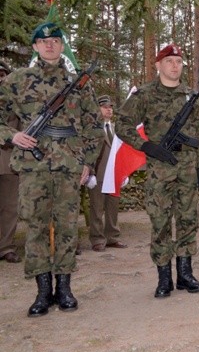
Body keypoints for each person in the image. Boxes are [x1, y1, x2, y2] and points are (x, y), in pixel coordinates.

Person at [0, 22, 103, 317]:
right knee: (35, 227)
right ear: (34, 46)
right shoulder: (17, 81)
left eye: (56, 41)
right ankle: (42, 291)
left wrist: (87, 163)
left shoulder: (80, 84)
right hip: (33, 167)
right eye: (44, 41)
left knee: (69, 227)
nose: (50, 45)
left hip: (70, 166)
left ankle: (65, 288)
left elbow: (95, 126)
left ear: (62, 46)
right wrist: (12, 136)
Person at [115, 44, 199, 298]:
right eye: (168, 61)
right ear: (158, 65)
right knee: (160, 222)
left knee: (188, 221)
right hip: (159, 170)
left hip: (188, 169)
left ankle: (185, 274)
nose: (174, 65)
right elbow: (122, 124)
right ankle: (164, 278)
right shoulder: (144, 95)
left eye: (178, 61)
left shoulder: (192, 96)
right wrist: (146, 146)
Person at [88, 95, 126, 252]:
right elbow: (88, 151)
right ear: (98, 109)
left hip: (115, 174)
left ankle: (112, 237)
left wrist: (124, 173)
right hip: (99, 174)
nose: (109, 109)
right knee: (96, 208)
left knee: (112, 208)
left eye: (110, 107)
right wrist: (89, 173)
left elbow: (122, 152)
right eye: (105, 107)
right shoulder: (92, 129)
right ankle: (97, 239)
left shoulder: (116, 129)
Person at [0, 60, 21, 264]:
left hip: (9, 161)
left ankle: (6, 247)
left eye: (2, 74)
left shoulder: (16, 101)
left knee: (9, 207)